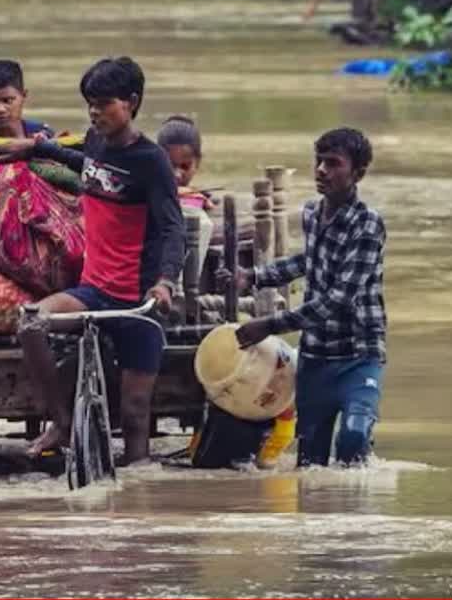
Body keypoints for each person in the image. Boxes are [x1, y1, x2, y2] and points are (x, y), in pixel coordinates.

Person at [6, 56, 184, 465]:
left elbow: (173, 227)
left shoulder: (152, 161)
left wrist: (166, 282)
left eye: (105, 103)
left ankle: (137, 500)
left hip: (138, 302)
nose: (95, 112)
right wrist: (36, 149)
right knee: (31, 321)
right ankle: (63, 420)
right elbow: (87, 164)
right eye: (90, 103)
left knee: (136, 416)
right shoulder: (96, 140)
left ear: (132, 102)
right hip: (94, 291)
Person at [231, 127, 386, 467]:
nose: (321, 170)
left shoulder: (368, 224)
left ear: (357, 173)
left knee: (355, 436)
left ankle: (358, 513)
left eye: (333, 164)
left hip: (359, 354)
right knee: (311, 461)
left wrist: (269, 325)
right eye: (319, 161)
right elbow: (308, 260)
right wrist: (254, 277)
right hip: (316, 355)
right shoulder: (313, 213)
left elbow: (339, 298)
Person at [157, 115, 213, 277]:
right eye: (169, 165)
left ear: (198, 162)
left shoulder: (195, 196)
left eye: (185, 166)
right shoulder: (146, 184)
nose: (177, 174)